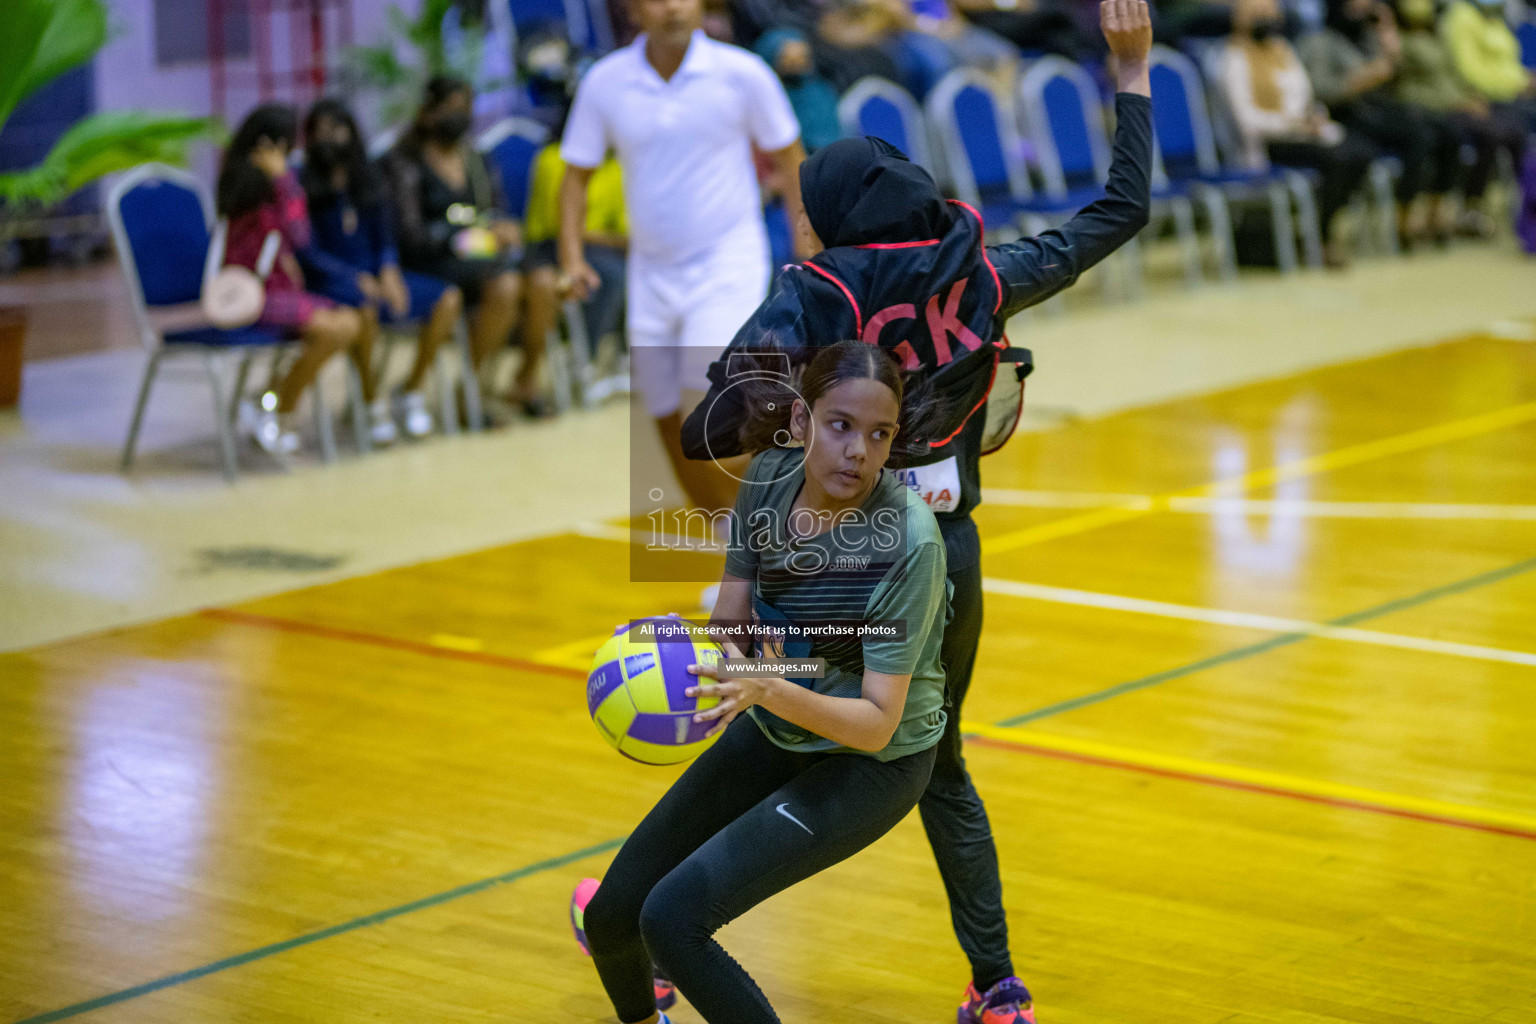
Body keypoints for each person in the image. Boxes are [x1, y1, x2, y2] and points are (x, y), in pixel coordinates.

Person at [676, 3, 1155, 1019]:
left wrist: (785, 401)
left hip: (840, 557)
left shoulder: (816, 297)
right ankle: (999, 987)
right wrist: (1133, 70)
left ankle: (655, 920)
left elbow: (711, 425)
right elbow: (1121, 210)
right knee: (937, 763)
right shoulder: (985, 277)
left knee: (769, 727)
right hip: (950, 561)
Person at [576, 340, 953, 1024]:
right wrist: (683, 651)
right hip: (779, 715)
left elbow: (876, 723)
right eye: (840, 425)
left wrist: (767, 683)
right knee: (611, 916)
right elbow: (731, 620)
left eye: (879, 434)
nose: (858, 452)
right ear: (803, 422)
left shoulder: (911, 543)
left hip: (873, 763)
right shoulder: (769, 480)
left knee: (673, 919)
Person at [558, 0, 811, 512]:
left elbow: (790, 160)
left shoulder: (742, 73)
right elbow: (575, 177)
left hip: (728, 262)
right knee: (665, 420)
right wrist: (571, 259)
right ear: (632, 9)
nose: (672, 6)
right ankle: (736, 549)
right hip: (650, 275)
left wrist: (809, 251)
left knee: (709, 408)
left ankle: (793, 521)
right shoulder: (605, 82)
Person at [382, 77, 552, 419]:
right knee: (505, 286)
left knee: (545, 281)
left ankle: (525, 378)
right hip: (433, 260)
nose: (458, 117)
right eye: (450, 109)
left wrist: (503, 227)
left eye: (465, 109)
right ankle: (468, 392)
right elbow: (413, 235)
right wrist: (473, 235)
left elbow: (496, 209)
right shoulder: (403, 162)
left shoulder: (476, 159)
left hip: (483, 254)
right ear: (426, 112)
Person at [300, 98, 465, 440]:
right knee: (365, 306)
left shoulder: (369, 178)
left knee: (447, 298)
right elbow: (306, 250)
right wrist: (353, 278)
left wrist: (389, 270)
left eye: (337, 130)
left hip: (377, 273)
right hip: (331, 279)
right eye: (321, 132)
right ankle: (370, 399)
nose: (330, 139)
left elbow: (385, 235)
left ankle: (412, 389)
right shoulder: (302, 185)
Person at [216, 103, 375, 456]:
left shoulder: (275, 181)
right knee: (337, 329)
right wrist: (283, 179)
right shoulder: (243, 183)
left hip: (280, 289)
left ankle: (269, 399)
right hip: (249, 294)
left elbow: (298, 240)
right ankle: (279, 408)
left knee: (352, 321)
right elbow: (299, 234)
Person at [1218, 0, 1379, 265]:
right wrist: (1292, 123)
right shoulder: (1232, 58)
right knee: (1336, 160)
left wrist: (1312, 117)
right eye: (1258, 15)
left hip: (1301, 133)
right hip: (1267, 144)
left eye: (1271, 14)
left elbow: (1305, 95)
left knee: (1361, 152)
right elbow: (1246, 121)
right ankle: (1321, 238)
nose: (1267, 20)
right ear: (1241, 20)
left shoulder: (1282, 49)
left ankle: (1318, 228)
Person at [1299, 0, 1464, 246]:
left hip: (1378, 108)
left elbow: (1393, 76)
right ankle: (1402, 221)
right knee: (1419, 136)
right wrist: (1365, 78)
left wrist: (1387, 31)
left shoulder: (1368, 37)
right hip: (1346, 114)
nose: (1363, 10)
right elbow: (1322, 91)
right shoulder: (1320, 42)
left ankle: (1434, 215)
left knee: (1449, 132)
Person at [1393, 0, 1526, 237]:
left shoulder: (1440, 35)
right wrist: (1456, 102)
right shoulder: (1399, 40)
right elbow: (1409, 90)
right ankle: (1412, 218)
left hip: (1456, 105)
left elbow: (1454, 77)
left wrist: (1470, 97)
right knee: (1470, 137)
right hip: (1424, 110)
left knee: (1513, 133)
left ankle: (1522, 203)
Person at [755, 28, 845, 153]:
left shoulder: (820, 92)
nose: (797, 65)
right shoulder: (765, 99)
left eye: (802, 57)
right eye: (788, 60)